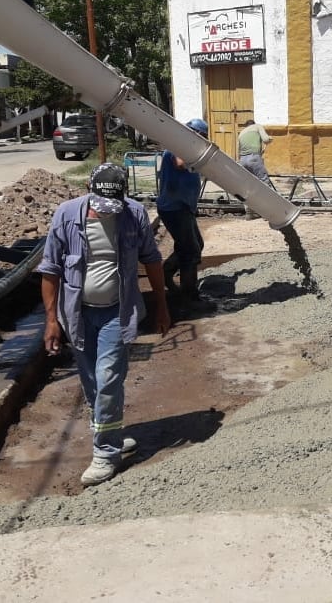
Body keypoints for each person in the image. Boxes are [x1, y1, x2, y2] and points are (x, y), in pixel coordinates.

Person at [39, 162, 171, 487]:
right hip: (78, 315)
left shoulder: (134, 215)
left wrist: (162, 305)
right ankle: (111, 431)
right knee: (92, 385)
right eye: (101, 205)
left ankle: (105, 453)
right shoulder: (66, 215)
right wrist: (51, 320)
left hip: (117, 312)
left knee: (108, 378)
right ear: (89, 189)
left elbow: (152, 259)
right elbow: (51, 268)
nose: (106, 211)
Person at [157, 118, 215, 309]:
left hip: (183, 208)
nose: (202, 140)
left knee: (196, 244)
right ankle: (190, 297)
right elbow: (180, 163)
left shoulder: (187, 149)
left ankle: (166, 271)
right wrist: (202, 156)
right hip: (174, 207)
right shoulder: (177, 146)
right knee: (190, 251)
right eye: (201, 136)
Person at [238, 119, 272, 218]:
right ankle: (269, 212)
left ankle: (249, 213)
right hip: (254, 158)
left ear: (246, 126)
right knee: (264, 182)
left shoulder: (241, 133)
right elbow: (265, 139)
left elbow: (239, 150)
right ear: (253, 124)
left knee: (248, 186)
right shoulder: (258, 126)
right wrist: (270, 139)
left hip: (243, 160)